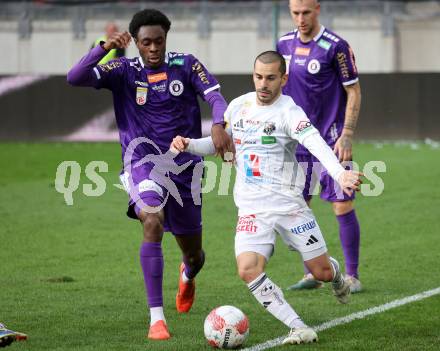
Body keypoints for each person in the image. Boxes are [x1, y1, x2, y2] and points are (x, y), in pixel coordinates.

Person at [170, 51, 362, 344]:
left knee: (320, 271)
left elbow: (316, 144)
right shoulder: (238, 107)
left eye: (271, 78)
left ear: (283, 79)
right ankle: (298, 326)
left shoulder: (290, 112)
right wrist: (189, 145)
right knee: (247, 269)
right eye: (259, 77)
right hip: (252, 208)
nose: (263, 84)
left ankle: (336, 276)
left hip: (289, 207)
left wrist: (340, 174)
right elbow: (219, 144)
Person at [67, 9, 232, 340]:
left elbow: (215, 96)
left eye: (158, 41)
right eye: (146, 42)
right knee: (152, 220)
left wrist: (218, 124)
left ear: (165, 38)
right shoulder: (123, 70)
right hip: (141, 162)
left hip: (185, 169)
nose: (153, 48)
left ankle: (187, 275)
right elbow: (75, 76)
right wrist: (104, 47)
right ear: (136, 43)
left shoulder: (185, 65)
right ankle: (157, 319)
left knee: (194, 255)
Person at [277, 0, 362, 292]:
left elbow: (353, 90)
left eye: (306, 12)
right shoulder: (283, 44)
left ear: (318, 9)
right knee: (298, 208)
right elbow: (279, 89)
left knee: (342, 204)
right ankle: (311, 273)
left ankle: (351, 275)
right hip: (296, 142)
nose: (300, 18)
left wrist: (347, 133)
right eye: (295, 13)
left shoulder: (335, 46)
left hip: (331, 140)